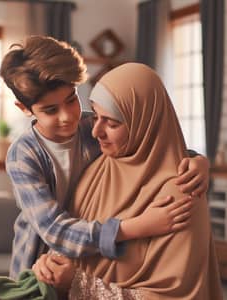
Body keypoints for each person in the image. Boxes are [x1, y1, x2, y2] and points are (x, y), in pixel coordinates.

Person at [0, 35, 210, 280]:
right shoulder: (23, 155)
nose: (67, 116)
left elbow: (150, 144)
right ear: (24, 109)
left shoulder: (92, 125)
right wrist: (137, 226)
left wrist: (196, 160)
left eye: (71, 99)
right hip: (41, 262)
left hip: (91, 258)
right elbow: (54, 230)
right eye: (50, 110)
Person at [33, 63, 222, 299]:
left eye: (112, 123)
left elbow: (175, 296)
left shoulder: (183, 189)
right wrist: (50, 265)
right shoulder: (95, 172)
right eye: (95, 117)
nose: (96, 132)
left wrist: (78, 284)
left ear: (145, 123)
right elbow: (71, 244)